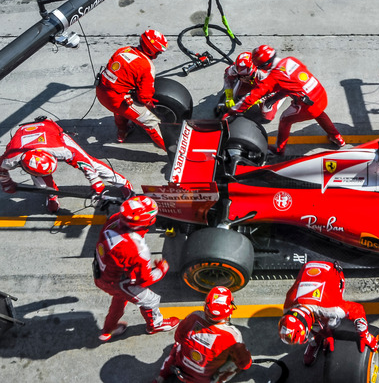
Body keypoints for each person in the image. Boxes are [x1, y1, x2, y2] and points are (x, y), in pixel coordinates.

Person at [226, 45, 344, 155]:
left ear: (265, 64)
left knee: (285, 120)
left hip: (307, 106)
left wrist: (231, 111)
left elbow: (254, 96)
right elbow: (291, 83)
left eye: (260, 66)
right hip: (320, 94)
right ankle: (337, 138)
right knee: (320, 114)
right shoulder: (290, 60)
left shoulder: (273, 76)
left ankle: (279, 150)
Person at [0, 117, 133, 213]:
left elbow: (83, 162)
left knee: (92, 162)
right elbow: (1, 170)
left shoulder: (60, 149)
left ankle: (122, 182)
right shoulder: (10, 159)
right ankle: (51, 194)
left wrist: (96, 182)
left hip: (53, 133)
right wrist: (6, 182)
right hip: (26, 138)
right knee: (41, 185)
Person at [93, 195, 179, 341]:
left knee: (119, 300)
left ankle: (108, 330)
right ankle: (155, 325)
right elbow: (145, 280)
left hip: (101, 274)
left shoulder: (114, 220)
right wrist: (161, 269)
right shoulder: (138, 249)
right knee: (151, 300)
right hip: (118, 283)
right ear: (150, 221)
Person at [277, 260, 378, 366]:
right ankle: (318, 337)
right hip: (310, 269)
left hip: (332, 272)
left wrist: (364, 335)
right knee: (321, 323)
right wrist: (325, 334)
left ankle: (319, 337)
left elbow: (358, 309)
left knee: (332, 323)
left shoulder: (331, 308)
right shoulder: (288, 307)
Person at [156, 286, 252, 383]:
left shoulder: (193, 317)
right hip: (203, 379)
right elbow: (245, 364)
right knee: (237, 364)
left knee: (177, 345)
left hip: (180, 369)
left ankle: (161, 377)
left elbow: (178, 337)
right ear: (229, 310)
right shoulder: (233, 335)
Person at [95, 29, 168, 148]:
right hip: (117, 100)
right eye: (158, 52)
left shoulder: (123, 50)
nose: (158, 55)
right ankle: (173, 151)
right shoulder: (146, 66)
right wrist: (150, 107)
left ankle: (122, 132)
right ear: (151, 50)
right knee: (151, 122)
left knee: (120, 111)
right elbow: (144, 97)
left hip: (101, 91)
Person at [219, 52, 284, 124]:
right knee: (237, 96)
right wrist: (229, 97)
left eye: (246, 76)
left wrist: (256, 100)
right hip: (254, 81)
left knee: (266, 117)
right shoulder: (234, 69)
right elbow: (228, 79)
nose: (242, 79)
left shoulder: (265, 74)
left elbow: (274, 91)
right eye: (240, 76)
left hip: (276, 89)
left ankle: (277, 103)